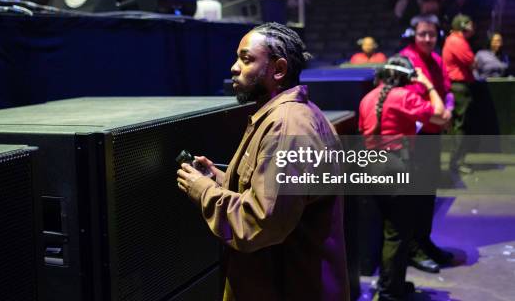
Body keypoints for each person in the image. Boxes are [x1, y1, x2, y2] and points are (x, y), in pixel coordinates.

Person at [176, 22, 349, 301]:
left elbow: (261, 222)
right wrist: (219, 180)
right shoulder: (284, 116)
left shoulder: (286, 126)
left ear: (278, 70)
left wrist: (204, 191)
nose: (234, 67)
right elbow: (272, 195)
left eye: (246, 59)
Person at [359, 55, 446, 301]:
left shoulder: (367, 99)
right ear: (405, 77)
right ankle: (390, 293)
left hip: (371, 167)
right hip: (396, 166)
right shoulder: (405, 96)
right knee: (397, 233)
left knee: (387, 231)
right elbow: (441, 115)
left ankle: (391, 284)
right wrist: (428, 85)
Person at [399, 14, 454, 274]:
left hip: (433, 135)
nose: (428, 39)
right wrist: (439, 114)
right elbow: (409, 104)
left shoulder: (437, 60)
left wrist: (449, 109)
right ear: (413, 35)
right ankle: (412, 249)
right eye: (423, 34)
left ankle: (424, 240)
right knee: (415, 196)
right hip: (415, 140)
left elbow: (449, 91)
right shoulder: (405, 61)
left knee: (428, 193)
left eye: (432, 34)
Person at [442, 14, 475, 174]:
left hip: (458, 87)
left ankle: (456, 161)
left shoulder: (453, 40)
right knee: (460, 126)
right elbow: (472, 62)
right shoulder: (456, 40)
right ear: (464, 26)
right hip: (459, 87)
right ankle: (456, 163)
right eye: (470, 24)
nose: (473, 27)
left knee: (460, 125)